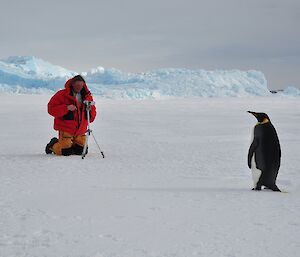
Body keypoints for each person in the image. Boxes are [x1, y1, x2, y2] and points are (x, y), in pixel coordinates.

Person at [45, 75, 96, 156]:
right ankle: (52, 145)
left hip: (81, 129)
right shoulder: (62, 94)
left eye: (81, 85)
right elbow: (51, 109)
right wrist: (66, 108)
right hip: (66, 129)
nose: (79, 87)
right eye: (77, 85)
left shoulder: (87, 97)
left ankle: (71, 144)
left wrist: (89, 110)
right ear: (72, 84)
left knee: (81, 151)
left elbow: (92, 117)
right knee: (65, 152)